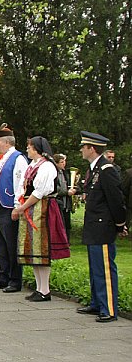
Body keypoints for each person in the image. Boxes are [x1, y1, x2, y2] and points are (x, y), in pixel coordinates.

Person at [76, 131, 128, 322]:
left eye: (84, 146)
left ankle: (109, 309)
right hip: (93, 226)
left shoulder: (106, 170)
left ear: (92, 148)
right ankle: (97, 302)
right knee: (95, 267)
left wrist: (120, 223)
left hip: (103, 227)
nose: (81, 150)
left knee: (104, 268)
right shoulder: (95, 169)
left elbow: (116, 200)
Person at [12, 137, 70, 301]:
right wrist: (20, 203)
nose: (27, 150)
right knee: (33, 250)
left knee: (41, 249)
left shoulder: (46, 166)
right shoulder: (33, 165)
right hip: (31, 208)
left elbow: (39, 191)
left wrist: (22, 207)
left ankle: (45, 290)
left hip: (42, 208)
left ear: (37, 149)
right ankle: (39, 288)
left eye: (29, 147)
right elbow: (24, 187)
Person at [0, 123, 29, 293]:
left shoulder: (17, 159)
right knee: (0, 245)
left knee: (11, 245)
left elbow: (20, 185)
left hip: (8, 208)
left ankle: (15, 280)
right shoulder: (0, 160)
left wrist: (18, 207)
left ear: (7, 142)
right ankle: (3, 276)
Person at [53, 154, 77, 241]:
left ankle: (67, 241)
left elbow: (69, 184)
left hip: (66, 202)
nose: (64, 164)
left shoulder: (64, 172)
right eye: (61, 162)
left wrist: (74, 189)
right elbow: (55, 188)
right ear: (56, 163)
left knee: (67, 223)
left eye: (64, 161)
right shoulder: (54, 173)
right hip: (58, 201)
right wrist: (66, 192)